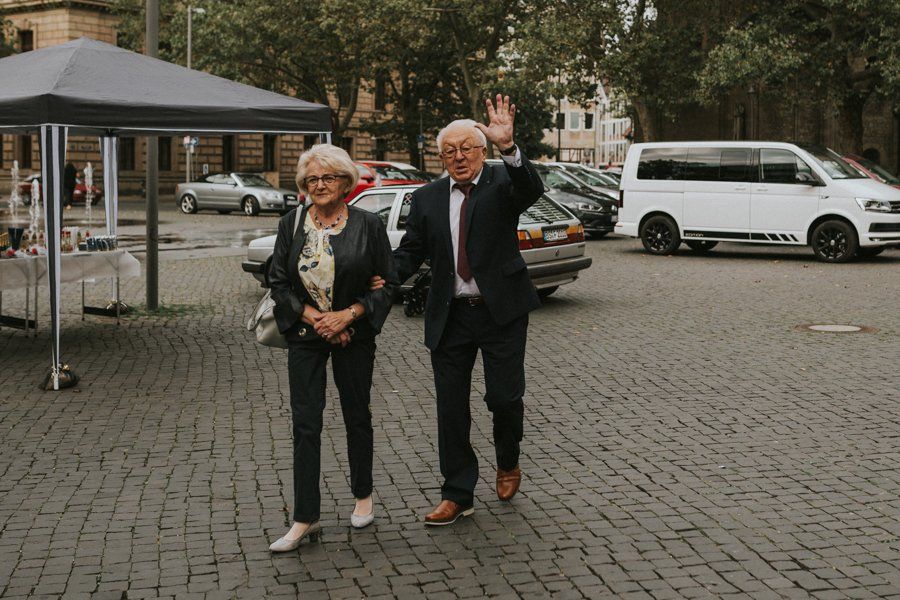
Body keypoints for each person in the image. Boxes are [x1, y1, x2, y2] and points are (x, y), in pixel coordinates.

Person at [388, 95, 545, 525]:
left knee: (504, 398)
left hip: (502, 312)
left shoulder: (501, 184)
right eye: (449, 151)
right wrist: (379, 276)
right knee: (450, 407)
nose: (458, 157)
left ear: (481, 150)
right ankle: (458, 492)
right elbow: (411, 251)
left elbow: (532, 189)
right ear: (441, 157)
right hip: (450, 315)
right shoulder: (427, 199)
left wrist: (509, 148)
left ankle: (508, 459)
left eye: (467, 149)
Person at [266, 144, 398, 551]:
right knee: (306, 424)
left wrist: (350, 315)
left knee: (357, 415)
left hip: (353, 336)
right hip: (306, 336)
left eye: (328, 178)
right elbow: (277, 281)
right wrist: (317, 320)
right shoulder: (291, 223)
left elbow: (388, 284)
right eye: (312, 180)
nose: (319, 185)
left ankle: (363, 495)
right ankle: (305, 517)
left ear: (345, 182)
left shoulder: (367, 225)